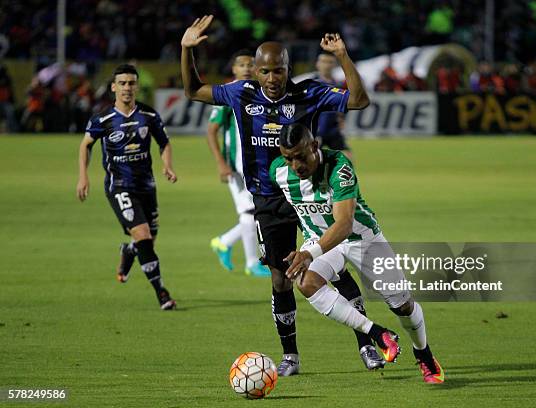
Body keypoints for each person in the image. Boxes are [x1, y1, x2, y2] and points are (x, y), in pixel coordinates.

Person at [181, 15, 380, 375]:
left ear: (288, 69)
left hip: (310, 192)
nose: (273, 79)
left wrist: (343, 57)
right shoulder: (240, 94)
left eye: (279, 71)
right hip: (270, 200)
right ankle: (291, 356)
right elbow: (194, 90)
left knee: (334, 270)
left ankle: (367, 345)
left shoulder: (310, 92)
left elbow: (360, 100)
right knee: (279, 278)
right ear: (255, 72)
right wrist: (186, 50)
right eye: (266, 72)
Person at [272, 123, 445, 384]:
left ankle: (424, 354)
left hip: (363, 240)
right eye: (289, 158)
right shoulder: (279, 171)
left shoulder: (339, 165)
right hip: (319, 241)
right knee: (305, 281)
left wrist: (309, 254)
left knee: (402, 306)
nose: (295, 165)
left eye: (300, 156)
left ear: (315, 147)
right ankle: (376, 333)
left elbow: (344, 225)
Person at [76, 64, 177, 311]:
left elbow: (164, 143)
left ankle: (129, 251)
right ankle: (162, 293)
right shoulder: (103, 118)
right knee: (143, 235)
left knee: (147, 241)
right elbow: (85, 145)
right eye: (122, 83)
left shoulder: (149, 115)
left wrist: (167, 166)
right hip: (119, 186)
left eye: (131, 83)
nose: (127, 88)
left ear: (137, 87)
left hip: (147, 186)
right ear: (113, 87)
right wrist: (83, 176)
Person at [207, 50, 270, 277]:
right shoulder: (227, 94)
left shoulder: (259, 93)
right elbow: (211, 130)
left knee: (262, 209)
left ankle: (224, 242)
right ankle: (252, 263)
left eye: (250, 64)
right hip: (236, 166)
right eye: (241, 64)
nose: (246, 68)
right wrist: (221, 163)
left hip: (258, 164)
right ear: (233, 69)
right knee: (250, 211)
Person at [312, 51, 352, 158]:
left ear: (334, 65)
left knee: (347, 157)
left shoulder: (339, 85)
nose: (326, 65)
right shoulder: (311, 85)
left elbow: (345, 106)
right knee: (312, 161)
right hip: (316, 131)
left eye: (330, 62)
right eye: (324, 61)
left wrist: (342, 118)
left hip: (333, 131)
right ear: (317, 64)